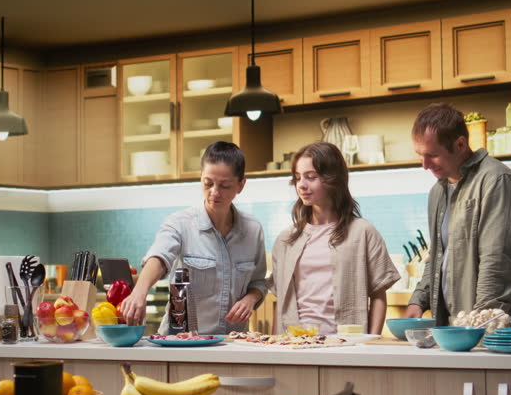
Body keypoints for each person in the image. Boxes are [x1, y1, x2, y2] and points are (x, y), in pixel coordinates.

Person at [406, 103, 511, 324]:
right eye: (420, 155)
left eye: (432, 155)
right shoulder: (438, 192)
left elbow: (496, 260)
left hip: (494, 326)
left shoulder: (496, 181)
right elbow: (438, 256)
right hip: (457, 327)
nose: (424, 165)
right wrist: (419, 299)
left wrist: (483, 322)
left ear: (460, 144)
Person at [120, 141, 267, 334]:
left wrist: (250, 299)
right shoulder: (180, 223)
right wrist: (140, 291)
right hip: (182, 342)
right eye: (208, 183)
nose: (214, 192)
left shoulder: (253, 230)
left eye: (224, 185)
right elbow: (160, 257)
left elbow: (258, 283)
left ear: (241, 185)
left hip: (232, 343)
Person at [271, 142, 400, 335]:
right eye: (298, 178)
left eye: (311, 177)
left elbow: (379, 295)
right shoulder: (286, 239)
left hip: (345, 346)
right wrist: (274, 347)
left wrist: (371, 343)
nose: (302, 185)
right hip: (294, 345)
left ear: (332, 179)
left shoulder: (363, 232)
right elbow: (281, 301)